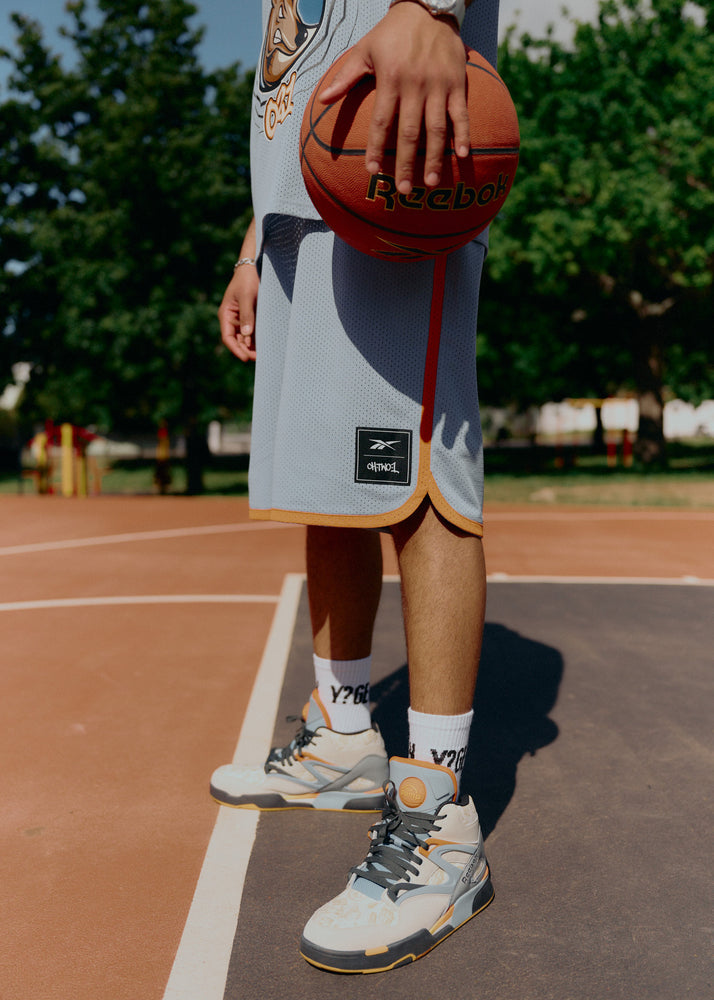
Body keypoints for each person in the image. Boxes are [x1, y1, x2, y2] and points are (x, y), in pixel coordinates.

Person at [213, 0, 499, 974]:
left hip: (395, 154)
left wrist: (430, 6)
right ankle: (344, 737)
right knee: (327, 479)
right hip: (303, 191)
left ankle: (440, 818)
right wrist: (259, 240)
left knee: (418, 472)